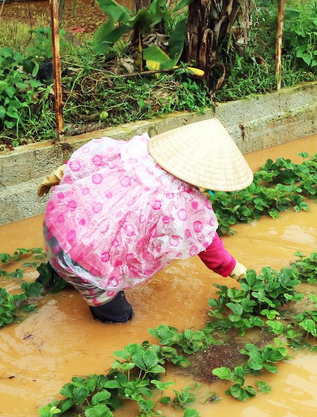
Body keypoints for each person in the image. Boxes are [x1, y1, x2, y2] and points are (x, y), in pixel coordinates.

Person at [37, 118, 252, 323]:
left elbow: (87, 161)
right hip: (92, 262)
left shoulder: (133, 154)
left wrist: (56, 176)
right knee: (120, 318)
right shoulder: (187, 206)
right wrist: (240, 273)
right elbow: (212, 250)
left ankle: (40, 289)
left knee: (59, 271)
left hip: (60, 233)